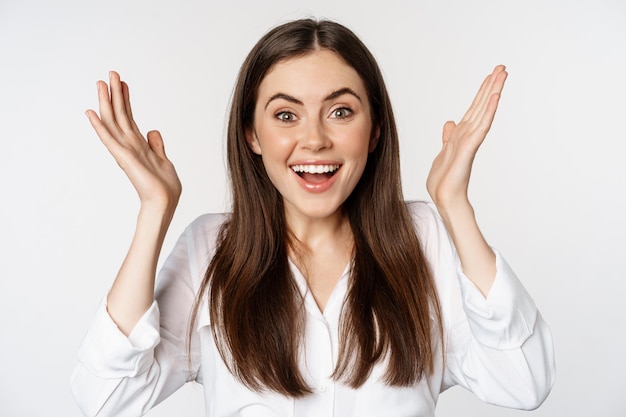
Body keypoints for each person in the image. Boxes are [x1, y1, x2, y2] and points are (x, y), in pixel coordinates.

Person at [71, 18, 555, 417]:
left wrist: (454, 205)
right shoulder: (210, 248)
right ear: (252, 136)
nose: (316, 139)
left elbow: (524, 381)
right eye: (286, 116)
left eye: (341, 111)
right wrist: (155, 210)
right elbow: (104, 397)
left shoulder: (424, 238)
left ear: (375, 129)